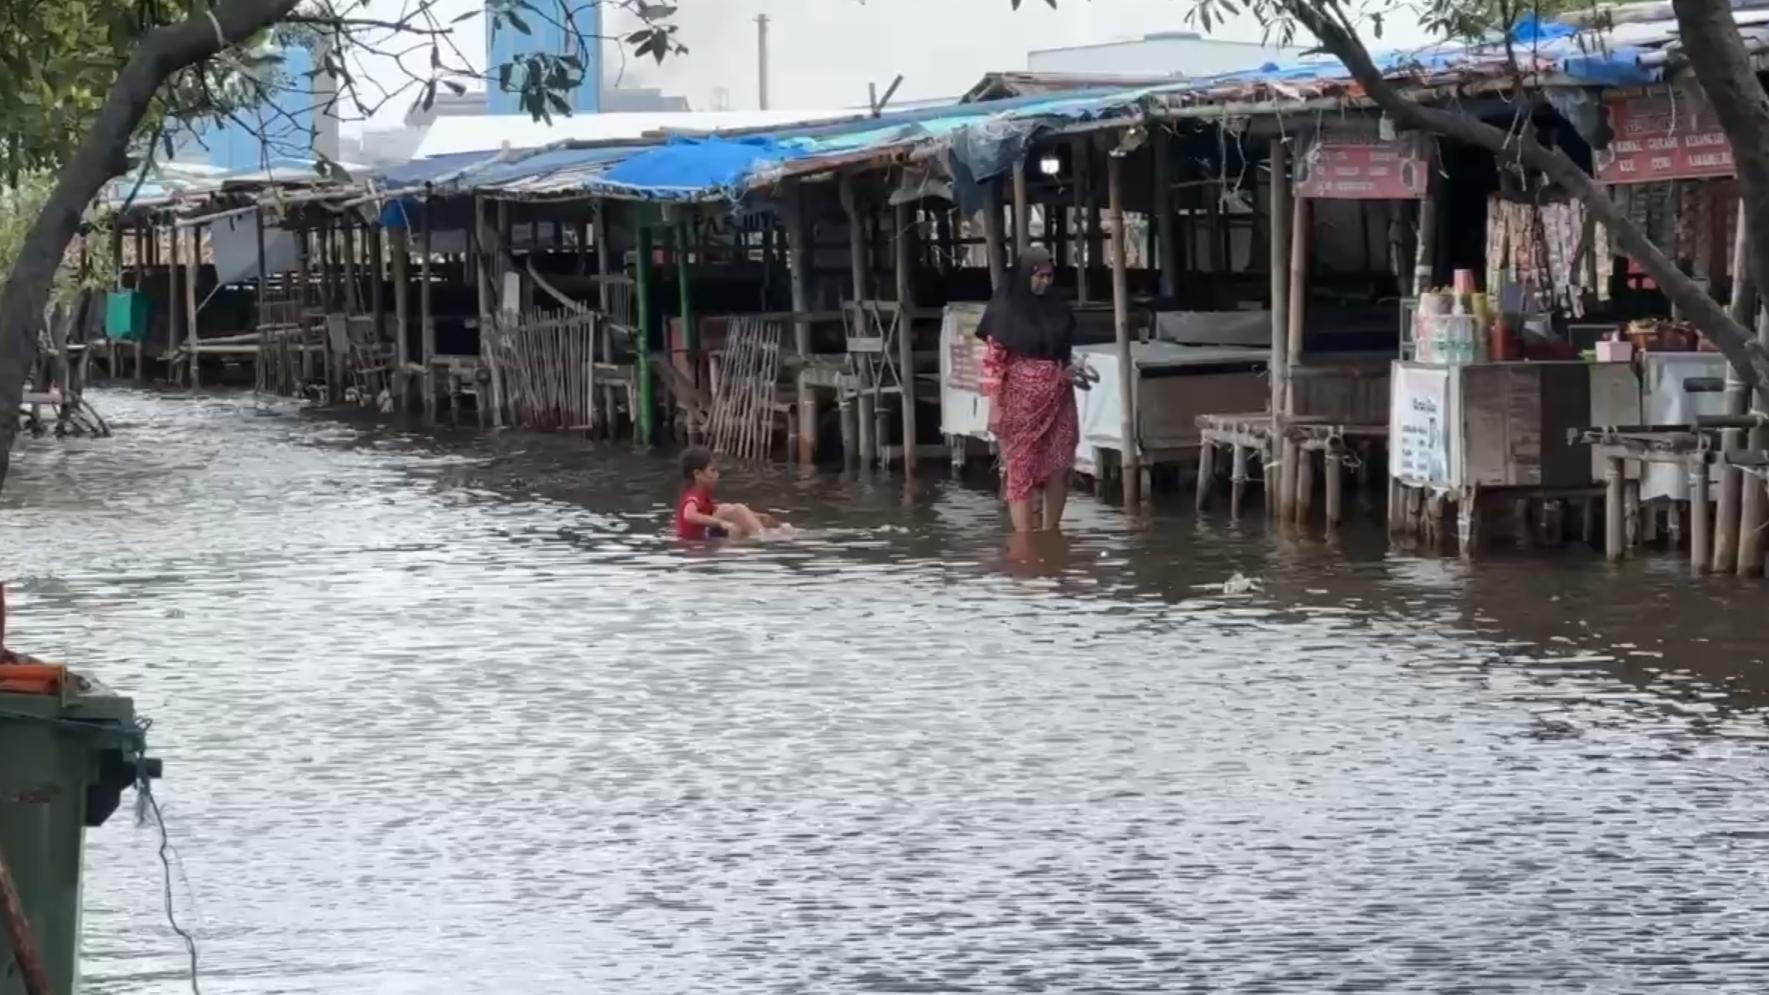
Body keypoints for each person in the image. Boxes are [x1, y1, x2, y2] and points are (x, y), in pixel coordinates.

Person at [977, 246, 1081, 533]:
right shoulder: (1006, 309)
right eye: (1039, 277)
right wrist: (995, 407)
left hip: (1059, 396)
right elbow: (992, 363)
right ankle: (1025, 542)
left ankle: (1051, 534)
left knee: (1060, 464)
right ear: (1026, 275)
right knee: (1021, 468)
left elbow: (1064, 351)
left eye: (1049, 277)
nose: (1044, 283)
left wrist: (1067, 370)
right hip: (1020, 402)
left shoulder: (1057, 307)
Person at [674, 446, 775, 540]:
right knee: (737, 509)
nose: (717, 475)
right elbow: (689, 515)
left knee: (732, 509)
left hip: (704, 535)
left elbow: (712, 510)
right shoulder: (693, 496)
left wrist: (754, 515)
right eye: (712, 471)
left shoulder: (702, 493)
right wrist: (722, 523)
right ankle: (763, 535)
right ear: (697, 474)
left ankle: (766, 531)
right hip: (698, 541)